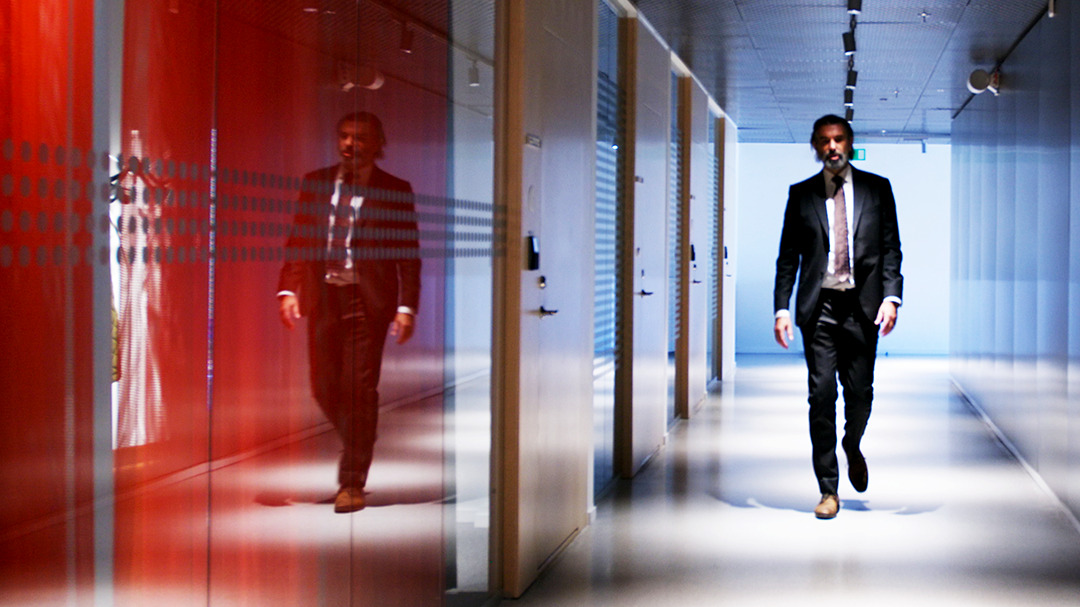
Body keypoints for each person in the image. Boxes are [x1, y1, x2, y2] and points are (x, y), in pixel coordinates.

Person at [277, 112, 421, 513]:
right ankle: (361, 437)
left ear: (377, 144)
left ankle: (352, 481)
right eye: (343, 136)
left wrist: (406, 306)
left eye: (359, 138)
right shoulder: (315, 184)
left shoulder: (395, 191)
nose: (349, 144)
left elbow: (408, 256)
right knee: (324, 387)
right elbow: (299, 240)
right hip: (324, 299)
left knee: (358, 390)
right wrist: (288, 289)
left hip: (366, 302)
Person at [773, 114, 902, 519]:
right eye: (825, 141)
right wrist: (782, 308)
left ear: (849, 142)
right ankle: (828, 490)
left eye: (839, 139)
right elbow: (787, 258)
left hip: (863, 308)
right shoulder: (801, 195)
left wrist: (892, 297)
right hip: (820, 309)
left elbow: (891, 248)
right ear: (815, 145)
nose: (832, 147)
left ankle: (852, 443)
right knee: (821, 396)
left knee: (860, 394)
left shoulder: (877, 189)